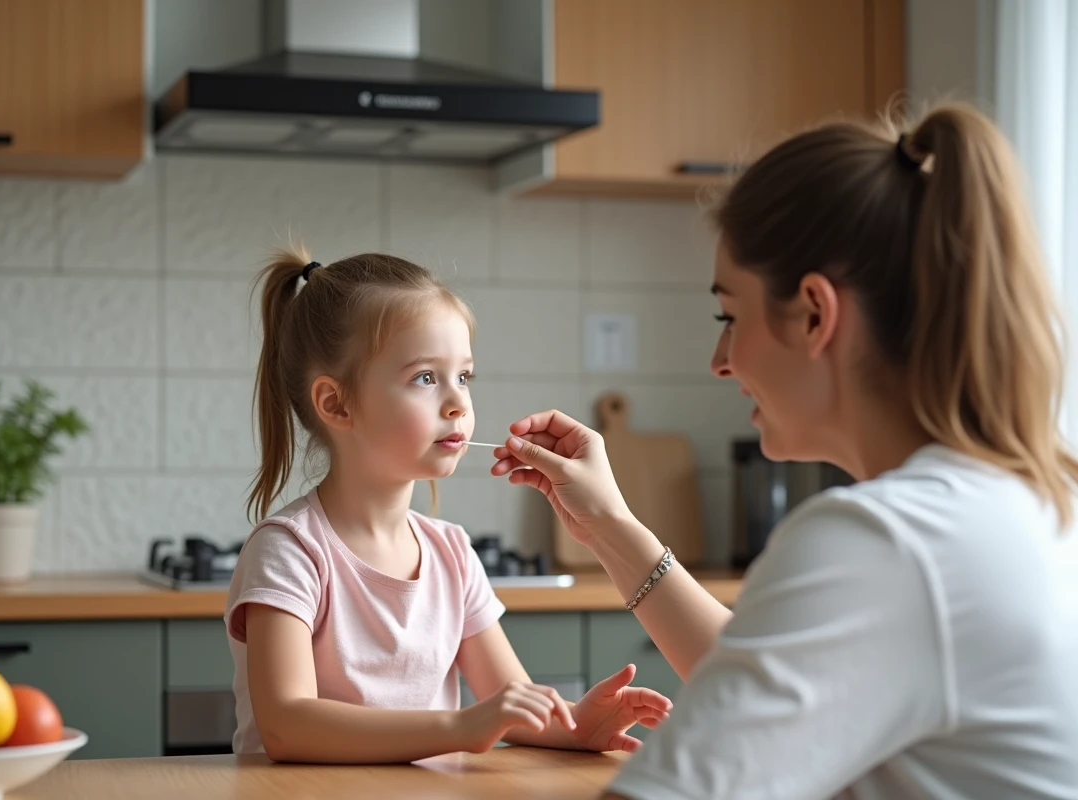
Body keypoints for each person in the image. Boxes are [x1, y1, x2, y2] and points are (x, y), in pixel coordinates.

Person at [490, 102, 1078, 799]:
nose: (719, 360)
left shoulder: (885, 540)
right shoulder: (1026, 499)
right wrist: (609, 528)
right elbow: (773, 680)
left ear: (814, 313)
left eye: (728, 316)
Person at [222, 249, 673, 763]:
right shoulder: (290, 551)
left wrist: (576, 726)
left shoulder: (452, 553)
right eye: (425, 378)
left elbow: (512, 705)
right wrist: (461, 727)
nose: (458, 402)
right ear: (336, 404)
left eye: (464, 377)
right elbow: (286, 725)